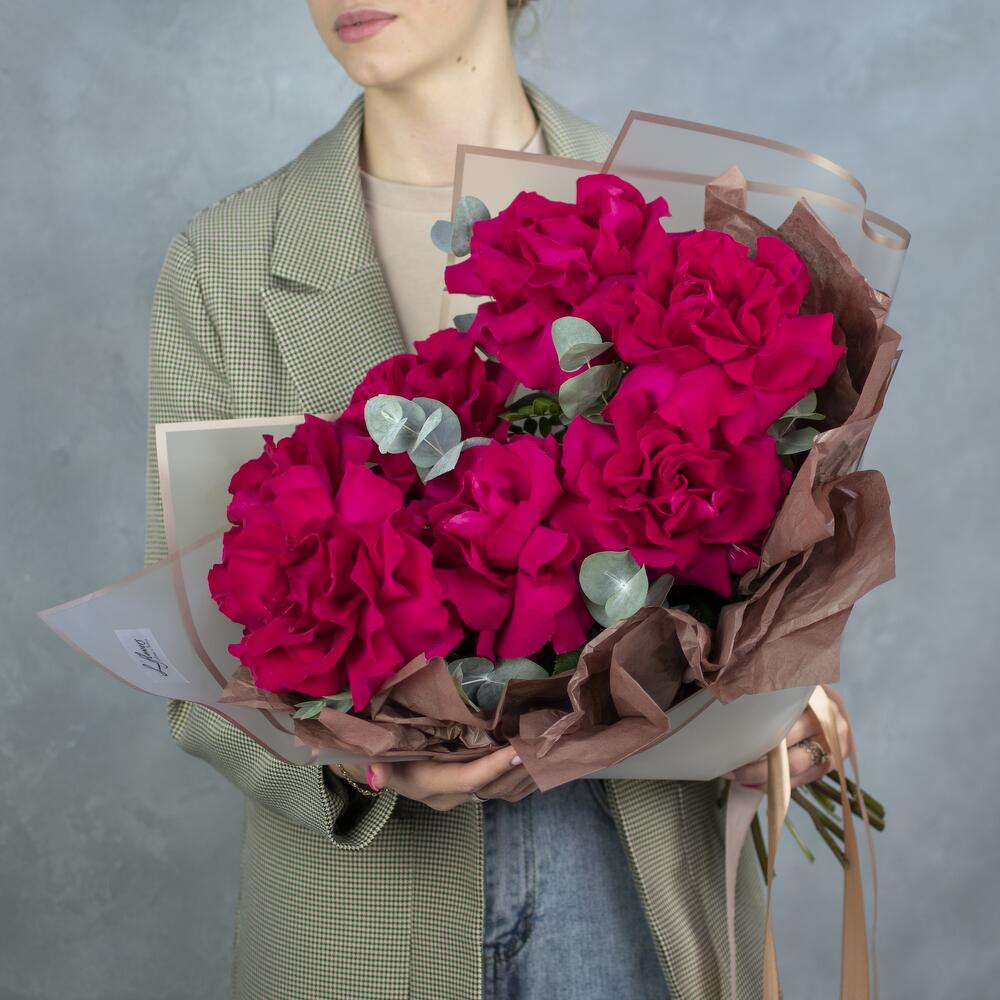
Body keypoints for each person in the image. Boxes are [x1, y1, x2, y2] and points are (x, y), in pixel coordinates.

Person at [144, 2, 853, 997]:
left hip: (630, 871)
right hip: (366, 911)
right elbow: (190, 650)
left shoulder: (672, 209)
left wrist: (777, 701)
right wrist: (360, 764)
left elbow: (769, 537)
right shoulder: (222, 262)